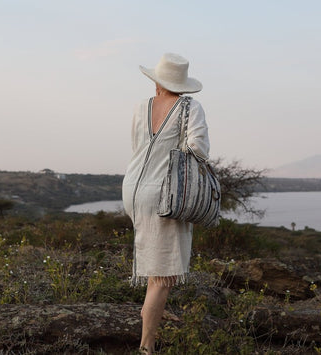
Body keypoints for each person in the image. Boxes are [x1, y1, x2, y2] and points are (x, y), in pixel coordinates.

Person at [122, 53, 210, 354]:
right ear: (182, 85)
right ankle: (146, 348)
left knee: (155, 271)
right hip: (166, 194)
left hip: (133, 189)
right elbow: (199, 148)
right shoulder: (190, 107)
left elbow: (138, 147)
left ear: (158, 82)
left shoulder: (140, 107)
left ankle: (149, 328)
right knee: (163, 277)